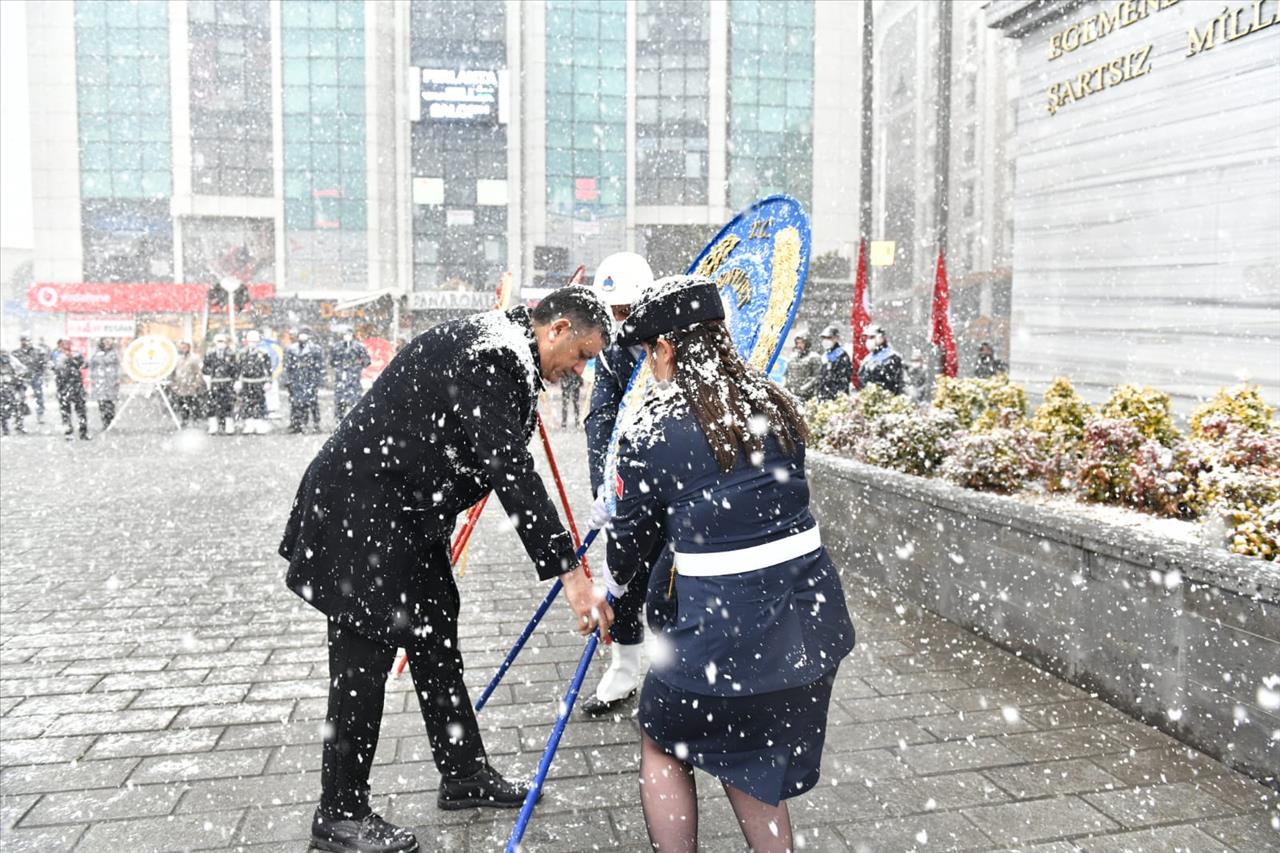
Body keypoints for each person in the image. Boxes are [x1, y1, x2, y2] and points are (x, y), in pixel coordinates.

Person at [279, 286, 616, 853]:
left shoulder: (504, 347)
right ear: (555, 329)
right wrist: (573, 577)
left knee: (435, 635)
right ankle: (339, 812)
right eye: (581, 355)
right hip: (362, 512)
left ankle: (463, 774)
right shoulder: (494, 356)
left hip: (406, 513)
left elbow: (494, 454)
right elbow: (511, 471)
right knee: (363, 661)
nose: (579, 370)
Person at [599, 276, 855, 853]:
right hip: (808, 626)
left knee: (664, 738)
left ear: (664, 348)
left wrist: (612, 594)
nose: (648, 364)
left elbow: (629, 544)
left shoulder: (651, 431)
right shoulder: (776, 403)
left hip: (722, 633)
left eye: (647, 352)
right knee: (753, 751)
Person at [581, 251, 656, 715]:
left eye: (628, 309)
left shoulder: (674, 343)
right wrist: (602, 486)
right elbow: (600, 421)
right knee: (622, 577)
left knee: (673, 584)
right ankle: (624, 669)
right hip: (626, 488)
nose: (621, 319)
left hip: (675, 487)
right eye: (614, 311)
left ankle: (680, 677)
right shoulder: (610, 356)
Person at [285, 328, 324, 433]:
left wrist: (318, 380)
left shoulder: (315, 349)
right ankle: (296, 423)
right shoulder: (291, 349)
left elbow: (320, 366)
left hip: (309, 378)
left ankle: (316, 424)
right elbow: (287, 366)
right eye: (301, 335)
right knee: (296, 402)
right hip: (296, 378)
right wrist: (288, 379)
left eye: (305, 335)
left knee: (312, 402)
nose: (302, 337)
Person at [330, 328, 371, 423]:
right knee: (340, 401)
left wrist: (357, 365)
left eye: (349, 334)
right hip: (341, 377)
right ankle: (339, 421)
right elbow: (332, 361)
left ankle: (356, 421)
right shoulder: (337, 347)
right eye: (345, 334)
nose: (347, 336)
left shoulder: (359, 346)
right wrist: (339, 365)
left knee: (354, 401)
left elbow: (367, 361)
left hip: (354, 377)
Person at [237, 330, 273, 435]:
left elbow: (268, 369)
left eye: (254, 341)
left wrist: (268, 381)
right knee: (246, 403)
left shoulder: (263, 354)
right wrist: (237, 381)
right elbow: (238, 369)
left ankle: (259, 423)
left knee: (259, 402)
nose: (252, 343)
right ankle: (249, 423)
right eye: (250, 341)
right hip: (246, 382)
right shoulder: (242, 353)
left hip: (259, 382)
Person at [52, 339, 89, 440]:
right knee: (65, 412)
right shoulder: (56, 355)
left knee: (81, 410)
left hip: (76, 386)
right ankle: (68, 433)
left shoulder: (76, 354)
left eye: (67, 343)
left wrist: (73, 359)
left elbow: (85, 364)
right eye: (63, 344)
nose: (65, 346)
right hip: (63, 386)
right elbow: (54, 367)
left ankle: (83, 432)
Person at [203, 333, 239, 435]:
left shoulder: (231, 355)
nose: (220, 344)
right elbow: (205, 369)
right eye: (218, 341)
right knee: (212, 405)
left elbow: (235, 369)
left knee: (228, 404)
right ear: (215, 342)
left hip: (227, 383)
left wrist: (236, 380)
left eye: (222, 341)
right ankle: (213, 426)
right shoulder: (210, 355)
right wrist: (207, 379)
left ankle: (229, 426)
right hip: (214, 383)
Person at [856, 323, 905, 396]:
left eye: (872, 337)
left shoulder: (892, 357)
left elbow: (895, 384)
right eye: (868, 338)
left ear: (881, 338)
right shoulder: (867, 359)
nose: (869, 341)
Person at [170, 341, 205, 428]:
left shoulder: (194, 359)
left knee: (193, 404)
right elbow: (173, 373)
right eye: (181, 348)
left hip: (191, 386)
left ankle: (196, 420)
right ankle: (184, 420)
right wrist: (173, 384)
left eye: (185, 347)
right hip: (180, 386)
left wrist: (196, 384)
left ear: (189, 348)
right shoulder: (177, 359)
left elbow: (198, 373)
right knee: (182, 404)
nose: (183, 349)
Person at [88, 338, 121, 430]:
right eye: (105, 341)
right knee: (101, 402)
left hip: (111, 380)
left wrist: (118, 377)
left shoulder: (114, 353)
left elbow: (118, 365)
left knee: (110, 402)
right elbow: (92, 364)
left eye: (109, 341)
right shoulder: (96, 352)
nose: (107, 343)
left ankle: (109, 420)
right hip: (99, 380)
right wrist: (91, 377)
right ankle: (105, 422)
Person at [13, 336, 48, 422]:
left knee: (38, 395)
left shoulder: (37, 352)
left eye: (27, 340)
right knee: (20, 397)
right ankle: (19, 418)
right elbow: (14, 365)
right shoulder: (17, 353)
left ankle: (40, 414)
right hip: (22, 377)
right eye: (23, 340)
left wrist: (43, 374)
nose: (25, 343)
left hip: (35, 375)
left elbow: (43, 364)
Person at [815, 324, 852, 399]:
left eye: (829, 338)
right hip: (824, 396)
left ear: (836, 338)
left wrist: (838, 396)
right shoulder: (825, 355)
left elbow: (843, 379)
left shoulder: (841, 355)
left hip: (836, 398)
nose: (825, 340)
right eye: (824, 338)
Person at [783, 334, 822, 402]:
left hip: (807, 396)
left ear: (807, 343)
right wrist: (785, 387)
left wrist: (803, 388)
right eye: (797, 343)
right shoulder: (793, 357)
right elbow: (787, 374)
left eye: (802, 343)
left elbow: (817, 377)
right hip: (791, 395)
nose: (799, 345)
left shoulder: (814, 357)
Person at [0, 348, 27, 436]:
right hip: (3, 387)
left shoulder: (13, 361)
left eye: (5, 354)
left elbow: (22, 369)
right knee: (2, 408)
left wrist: (18, 376)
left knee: (17, 405)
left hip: (13, 386)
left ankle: (19, 425)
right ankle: (5, 428)